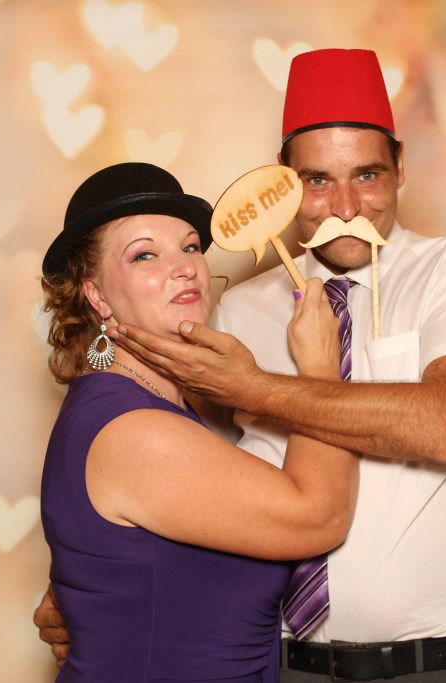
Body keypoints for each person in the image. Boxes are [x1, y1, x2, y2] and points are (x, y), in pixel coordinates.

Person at [37, 49, 446, 681]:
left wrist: (258, 387)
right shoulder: (234, 310)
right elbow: (184, 473)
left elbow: (443, 426)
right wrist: (86, 579)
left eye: (368, 175)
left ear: (401, 168)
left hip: (436, 665)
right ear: (285, 182)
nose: (346, 205)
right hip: (288, 663)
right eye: (318, 181)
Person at [37, 161, 359, 682]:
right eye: (145, 254)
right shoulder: (134, 431)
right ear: (95, 294)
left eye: (190, 247)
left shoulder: (156, 410)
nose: (185, 267)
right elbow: (319, 517)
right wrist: (321, 369)